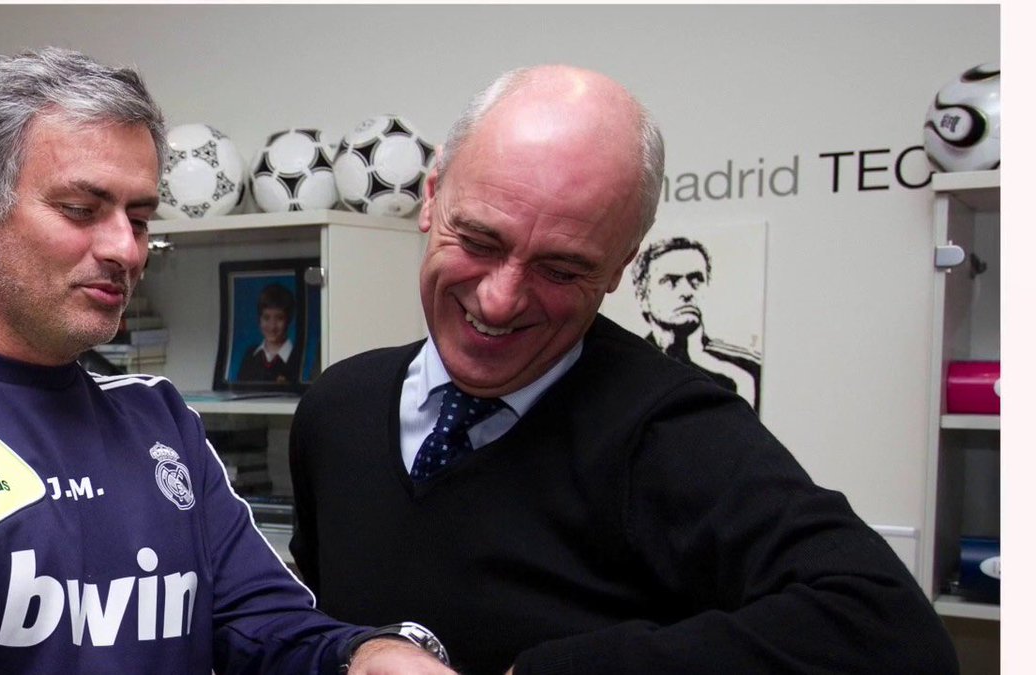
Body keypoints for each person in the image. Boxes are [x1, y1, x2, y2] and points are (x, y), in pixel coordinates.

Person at [289, 65, 957, 675]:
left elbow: (891, 632)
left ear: (620, 265)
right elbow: (312, 623)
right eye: (479, 240)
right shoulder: (338, 407)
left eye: (561, 269)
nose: (499, 300)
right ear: (432, 195)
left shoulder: (674, 431)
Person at [0, 47, 456, 675]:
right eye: (81, 210)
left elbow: (260, 623)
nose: (126, 250)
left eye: (138, 219)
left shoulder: (157, 418)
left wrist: (366, 655)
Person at [632, 236, 762, 411]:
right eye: (671, 282)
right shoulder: (627, 365)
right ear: (642, 297)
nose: (687, 292)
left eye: (696, 280)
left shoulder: (746, 368)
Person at [236, 283, 303, 384]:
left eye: (279, 318)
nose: (272, 326)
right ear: (259, 319)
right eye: (266, 318)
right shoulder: (250, 356)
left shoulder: (298, 358)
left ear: (289, 320)